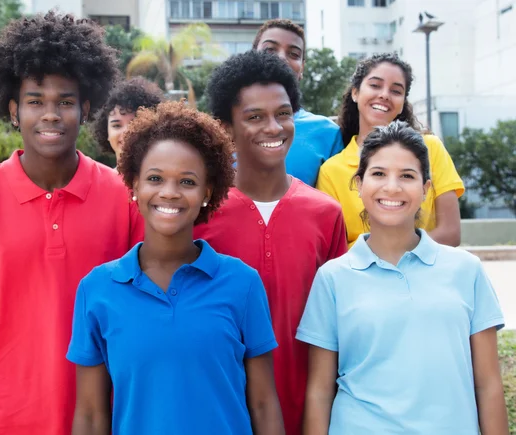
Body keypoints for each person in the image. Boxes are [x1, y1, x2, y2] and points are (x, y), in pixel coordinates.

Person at [0, 12, 139, 434]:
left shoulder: (124, 196)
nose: (51, 114)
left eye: (65, 102)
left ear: (85, 109)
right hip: (5, 421)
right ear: (13, 110)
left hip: (108, 418)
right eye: (35, 101)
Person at [67, 101, 285, 435]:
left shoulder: (242, 283)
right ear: (134, 186)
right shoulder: (97, 290)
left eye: (186, 181)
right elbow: (91, 414)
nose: (169, 193)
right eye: (155, 178)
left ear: (207, 193)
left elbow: (263, 404)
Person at [298, 121, 508, 435]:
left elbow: (489, 386)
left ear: (425, 189)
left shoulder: (467, 270)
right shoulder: (332, 278)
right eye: (379, 173)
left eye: (407, 176)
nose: (392, 187)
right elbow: (319, 392)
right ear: (360, 184)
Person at [195, 50, 347, 435]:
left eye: (283, 114)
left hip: (310, 413)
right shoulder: (200, 216)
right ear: (226, 127)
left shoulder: (325, 213)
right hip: (220, 414)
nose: (274, 127)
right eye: (254, 117)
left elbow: (339, 324)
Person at [317, 52, 464, 248]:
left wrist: (396, 259)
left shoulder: (431, 148)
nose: (384, 95)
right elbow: (334, 249)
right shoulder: (331, 171)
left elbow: (450, 234)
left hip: (427, 275)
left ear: (403, 102)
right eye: (375, 85)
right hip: (362, 278)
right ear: (355, 92)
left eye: (396, 91)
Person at [253, 18, 343, 186]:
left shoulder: (328, 133)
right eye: (270, 49)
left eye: (293, 54)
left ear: (302, 68)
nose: (281, 58)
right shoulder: (224, 128)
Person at [92, 76, 163, 169]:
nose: (126, 132)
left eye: (135, 124)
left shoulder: (166, 180)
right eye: (116, 125)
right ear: (106, 133)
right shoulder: (100, 182)